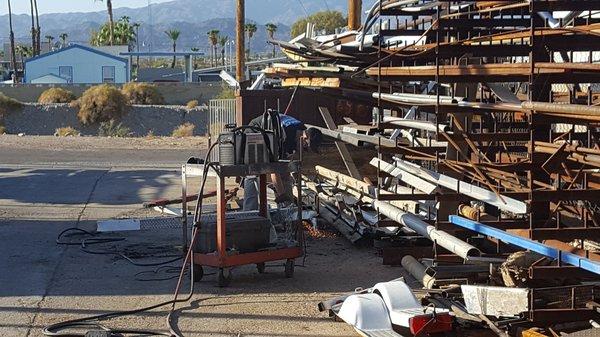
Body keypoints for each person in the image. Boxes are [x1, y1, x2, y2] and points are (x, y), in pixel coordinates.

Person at [243, 109, 322, 210]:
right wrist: (282, 196)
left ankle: (287, 210)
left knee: (285, 174)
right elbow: (273, 169)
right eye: (305, 147)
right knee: (253, 172)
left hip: (272, 135)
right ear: (304, 137)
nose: (303, 150)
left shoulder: (299, 131)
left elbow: (286, 167)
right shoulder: (283, 134)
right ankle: (250, 212)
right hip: (255, 133)